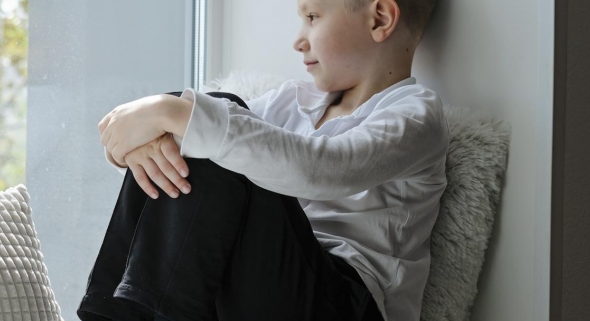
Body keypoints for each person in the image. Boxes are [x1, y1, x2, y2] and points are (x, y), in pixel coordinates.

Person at [78, 0, 446, 320]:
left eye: (313, 17)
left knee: (216, 121)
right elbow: (200, 141)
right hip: (262, 291)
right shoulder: (291, 101)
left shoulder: (415, 116)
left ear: (380, 18)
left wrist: (164, 111)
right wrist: (134, 142)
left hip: (345, 302)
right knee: (211, 124)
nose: (298, 40)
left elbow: (324, 169)